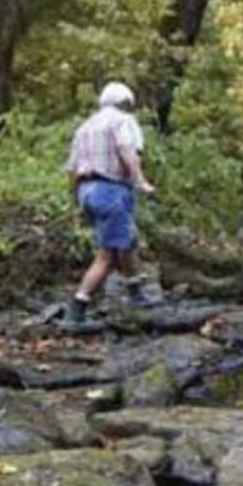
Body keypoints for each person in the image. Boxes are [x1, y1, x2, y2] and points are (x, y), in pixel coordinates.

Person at [62, 81, 160, 327]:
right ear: (127, 103)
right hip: (111, 190)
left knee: (127, 241)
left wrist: (75, 202)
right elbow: (127, 151)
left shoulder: (85, 126)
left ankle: (136, 292)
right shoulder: (122, 121)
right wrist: (141, 181)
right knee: (107, 255)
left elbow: (72, 169)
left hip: (88, 191)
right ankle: (77, 309)